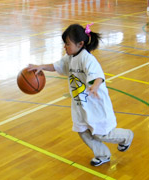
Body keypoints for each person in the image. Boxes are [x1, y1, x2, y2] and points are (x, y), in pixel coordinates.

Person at [28, 23, 134, 167]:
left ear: (80, 44)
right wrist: (41, 66)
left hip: (95, 104)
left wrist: (95, 86)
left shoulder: (87, 59)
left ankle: (126, 136)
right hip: (81, 105)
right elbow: (57, 66)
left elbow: (98, 76)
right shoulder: (69, 57)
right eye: (64, 44)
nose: (65, 47)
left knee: (102, 134)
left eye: (67, 44)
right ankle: (102, 154)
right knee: (83, 131)